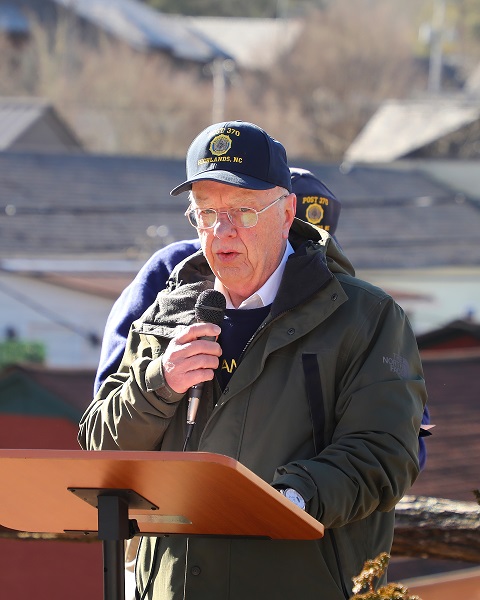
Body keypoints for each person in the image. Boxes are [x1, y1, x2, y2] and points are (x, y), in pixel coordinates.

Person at [79, 120, 427, 600]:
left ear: (286, 213)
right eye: (205, 213)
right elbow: (100, 445)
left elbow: (384, 453)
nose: (221, 231)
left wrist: (291, 498)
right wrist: (159, 383)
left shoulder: (364, 317)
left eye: (242, 211)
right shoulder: (167, 314)